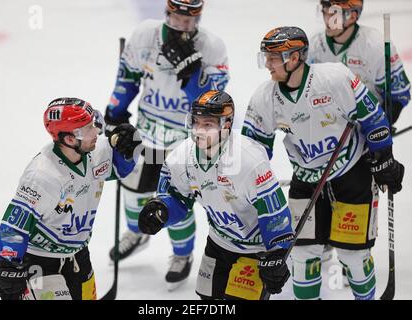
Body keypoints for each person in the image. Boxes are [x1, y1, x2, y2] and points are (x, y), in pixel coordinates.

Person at [242, 26, 405, 300]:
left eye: (272, 57)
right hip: (306, 180)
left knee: (354, 256)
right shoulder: (264, 98)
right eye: (266, 57)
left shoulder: (334, 78)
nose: (267, 64)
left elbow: (372, 116)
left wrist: (383, 157)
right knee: (303, 257)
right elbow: (252, 151)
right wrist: (253, 187)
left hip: (352, 173)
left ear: (293, 58)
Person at [104, 0, 229, 290]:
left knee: (175, 199)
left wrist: (192, 73)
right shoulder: (145, 35)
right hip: (146, 132)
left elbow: (213, 102)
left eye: (191, 19)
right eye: (177, 17)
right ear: (167, 12)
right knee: (133, 191)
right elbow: (128, 75)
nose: (184, 25)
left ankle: (182, 256)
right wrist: (115, 111)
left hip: (184, 140)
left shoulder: (212, 46)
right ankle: (137, 232)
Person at [138, 90, 294, 300]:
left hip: (256, 249)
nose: (199, 130)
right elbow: (178, 198)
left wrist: (277, 252)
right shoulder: (181, 157)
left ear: (226, 126)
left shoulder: (248, 160)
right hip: (219, 241)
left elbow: (274, 213)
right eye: (196, 122)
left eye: (208, 125)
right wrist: (162, 210)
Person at [0, 98, 140, 300]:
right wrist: (8, 266)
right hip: (41, 262)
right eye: (88, 129)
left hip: (78, 254)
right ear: (70, 139)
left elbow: (120, 168)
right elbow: (15, 225)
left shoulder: (95, 152)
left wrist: (128, 146)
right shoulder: (42, 176)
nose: (96, 131)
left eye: (93, 124)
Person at [309, 0, 411, 268]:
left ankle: (353, 253)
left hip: (364, 138)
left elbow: (399, 94)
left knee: (356, 196)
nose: (327, 17)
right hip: (325, 139)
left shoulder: (374, 45)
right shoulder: (315, 45)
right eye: (325, 11)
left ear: (353, 15)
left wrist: (381, 130)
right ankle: (326, 240)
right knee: (323, 192)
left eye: (334, 12)